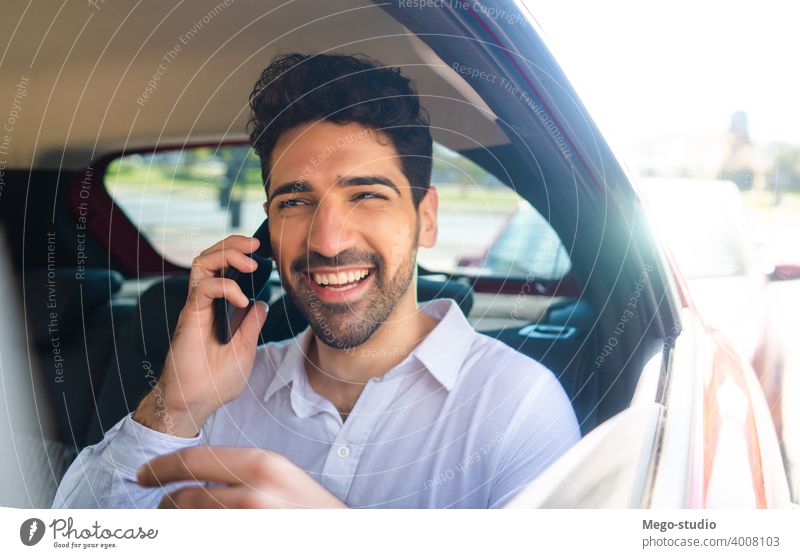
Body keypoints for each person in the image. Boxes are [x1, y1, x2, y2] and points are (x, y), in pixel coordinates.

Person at [52, 53, 580, 509]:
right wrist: (175, 407)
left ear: (427, 218)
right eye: (296, 202)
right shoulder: (221, 394)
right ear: (267, 227)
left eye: (367, 195)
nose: (326, 241)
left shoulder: (516, 406)